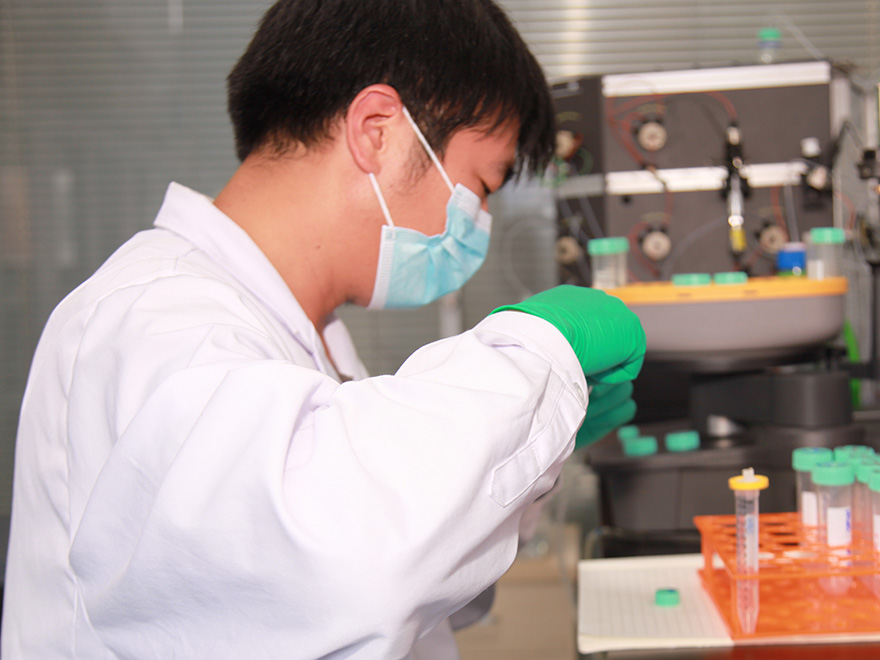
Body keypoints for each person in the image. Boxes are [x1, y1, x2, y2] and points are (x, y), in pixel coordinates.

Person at [1, 1, 645, 658]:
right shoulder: (154, 319)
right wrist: (536, 355)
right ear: (377, 131)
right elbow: (340, 566)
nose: (477, 223)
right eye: (480, 186)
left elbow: (418, 587)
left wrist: (533, 451)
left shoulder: (289, 329)